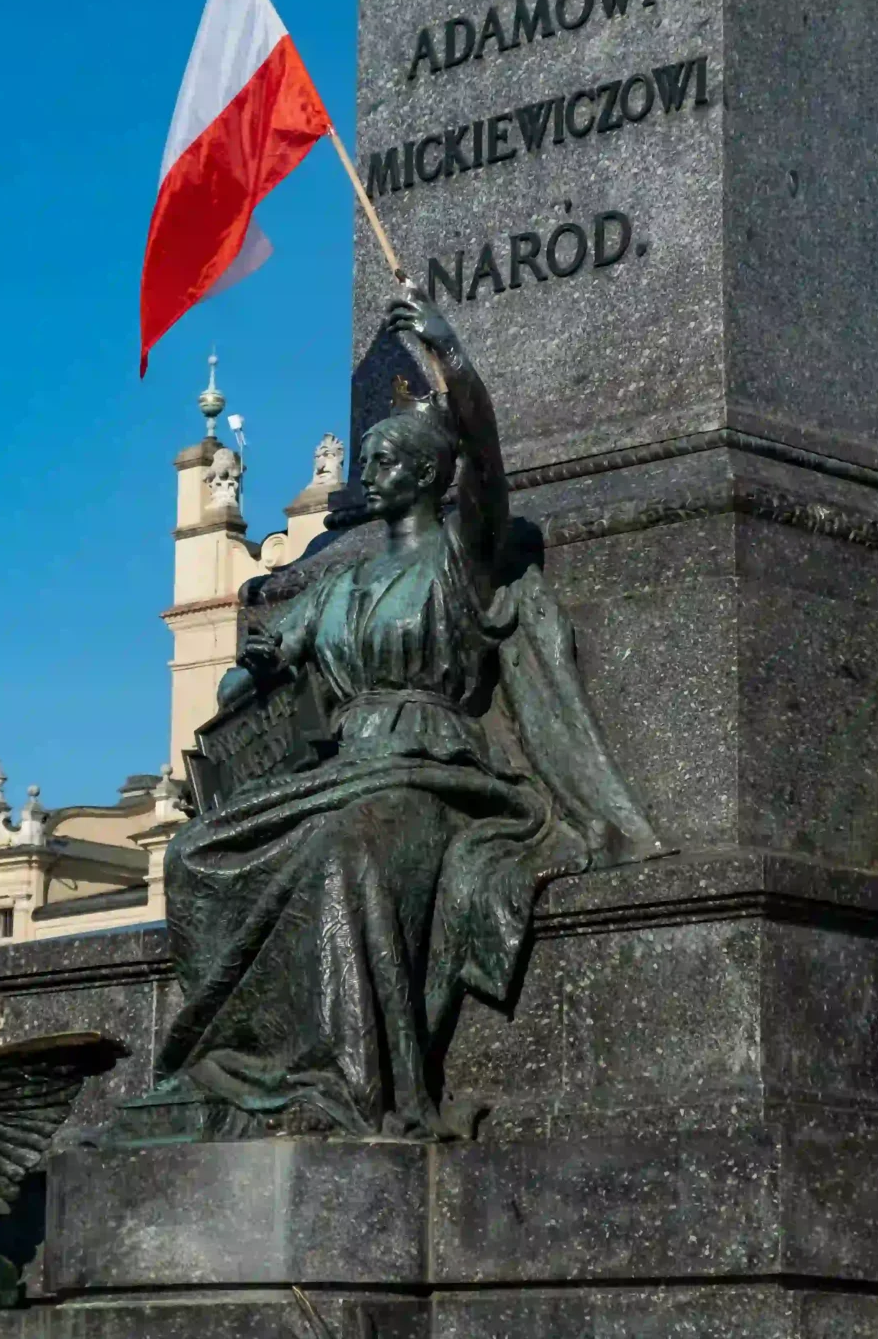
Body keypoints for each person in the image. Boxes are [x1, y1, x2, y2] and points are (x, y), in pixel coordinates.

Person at [128, 285, 659, 1142]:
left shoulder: (465, 559)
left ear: (423, 472)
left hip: (430, 769)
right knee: (194, 854)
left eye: (382, 460)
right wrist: (246, 686)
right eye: (366, 459)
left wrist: (454, 362)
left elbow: (487, 467)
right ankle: (228, 1062)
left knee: (348, 851)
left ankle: (338, 1080)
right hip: (337, 766)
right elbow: (264, 665)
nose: (365, 473)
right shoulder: (341, 582)